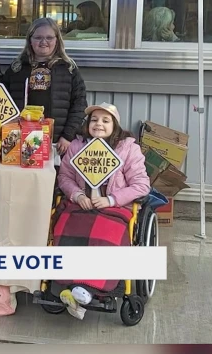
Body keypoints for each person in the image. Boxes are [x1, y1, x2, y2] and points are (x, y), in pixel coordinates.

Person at [54, 102, 151, 320]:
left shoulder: (127, 148)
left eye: (105, 121)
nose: (99, 124)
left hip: (114, 208)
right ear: (88, 123)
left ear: (114, 126)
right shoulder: (77, 146)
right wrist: (77, 195)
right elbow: (65, 177)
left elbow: (142, 185)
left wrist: (111, 199)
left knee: (104, 234)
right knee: (65, 227)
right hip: (81, 204)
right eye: (95, 120)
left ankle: (87, 289)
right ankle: (71, 285)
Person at [1, 18, 87, 156]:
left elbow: (79, 104)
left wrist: (67, 136)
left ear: (57, 40)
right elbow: (2, 101)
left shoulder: (68, 69)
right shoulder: (17, 68)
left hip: (57, 141)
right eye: (38, 37)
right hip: (21, 138)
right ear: (30, 40)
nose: (43, 42)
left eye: (49, 37)